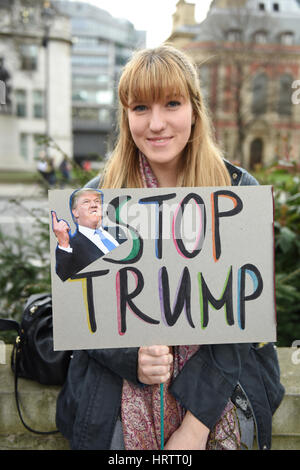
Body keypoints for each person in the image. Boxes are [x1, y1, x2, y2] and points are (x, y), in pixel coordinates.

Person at [56, 45, 284, 450]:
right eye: (141, 107)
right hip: (121, 387)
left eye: (172, 104)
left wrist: (195, 430)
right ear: (126, 117)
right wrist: (131, 358)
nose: (156, 123)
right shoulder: (93, 203)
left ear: (194, 110)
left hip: (220, 380)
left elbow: (242, 323)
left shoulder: (237, 192)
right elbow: (82, 311)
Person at [52, 188, 127, 282]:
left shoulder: (118, 231)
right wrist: (63, 242)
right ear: (75, 212)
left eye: (97, 201)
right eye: (86, 202)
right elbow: (64, 280)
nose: (94, 205)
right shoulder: (70, 246)